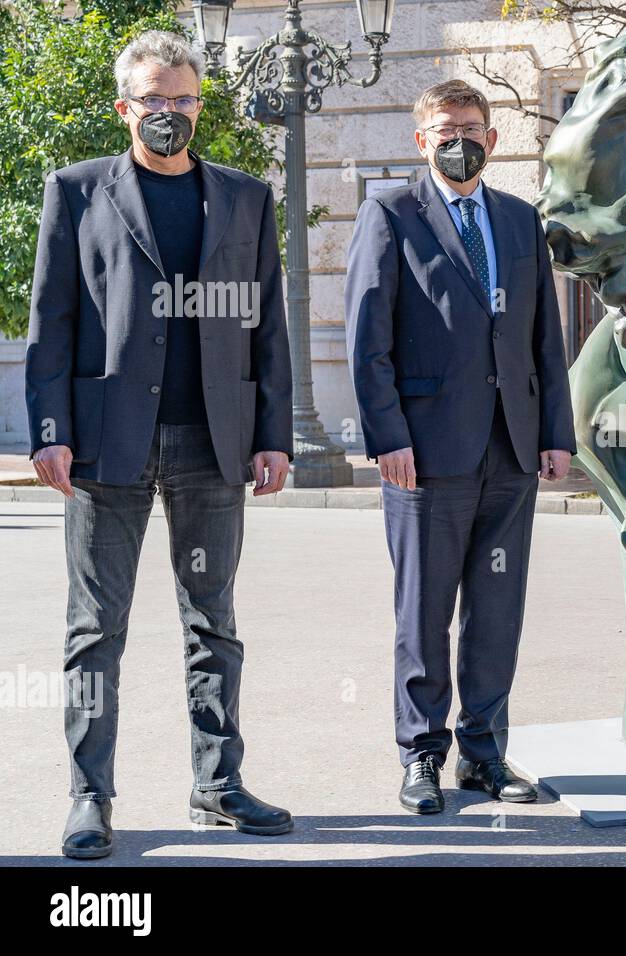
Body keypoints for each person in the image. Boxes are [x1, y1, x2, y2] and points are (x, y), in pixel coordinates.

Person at [25, 31, 296, 859]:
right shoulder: (76, 192)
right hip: (108, 445)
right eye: (153, 99)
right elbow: (52, 322)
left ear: (199, 104)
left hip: (213, 445)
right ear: (125, 106)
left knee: (213, 623)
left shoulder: (247, 198)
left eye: (182, 99)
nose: (169, 112)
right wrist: (50, 430)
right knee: (94, 628)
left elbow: (267, 325)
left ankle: (218, 785)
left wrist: (273, 434)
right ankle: (89, 796)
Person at [346, 80, 577, 813]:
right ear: (421, 140)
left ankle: (484, 754)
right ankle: (420, 755)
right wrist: (386, 436)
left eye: (472, 127)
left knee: (496, 609)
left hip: (510, 449)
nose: (459, 139)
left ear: (494, 139)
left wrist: (554, 434)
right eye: (444, 128)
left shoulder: (518, 221)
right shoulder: (390, 212)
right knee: (424, 612)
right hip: (425, 453)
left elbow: (545, 337)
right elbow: (367, 338)